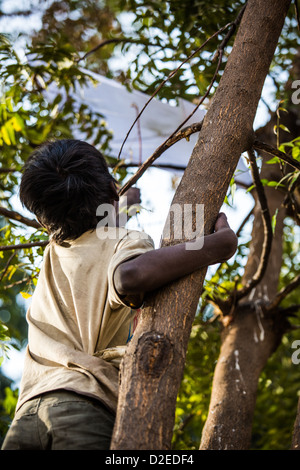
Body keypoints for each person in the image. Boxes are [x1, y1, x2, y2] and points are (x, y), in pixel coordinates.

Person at [1, 139, 237, 450]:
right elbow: (129, 275)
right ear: (112, 190)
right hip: (83, 405)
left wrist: (120, 205)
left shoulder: (54, 251)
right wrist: (219, 246)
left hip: (28, 411)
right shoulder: (125, 240)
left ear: (45, 220)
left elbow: (95, 249)